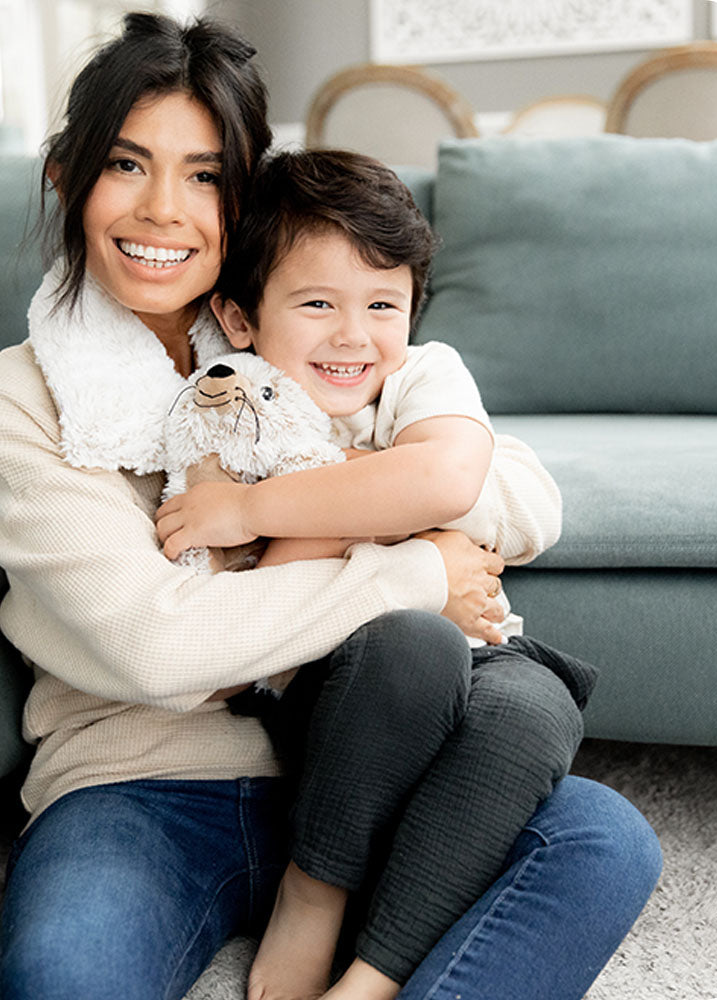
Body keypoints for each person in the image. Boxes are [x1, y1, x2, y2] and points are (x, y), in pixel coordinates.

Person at [0, 12, 662, 1000]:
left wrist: (346, 500)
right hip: (142, 784)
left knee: (601, 842)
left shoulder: (314, 324)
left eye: (204, 174)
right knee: (71, 974)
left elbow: (516, 489)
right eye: (126, 164)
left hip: (381, 758)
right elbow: (156, 650)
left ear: (241, 197)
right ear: (67, 180)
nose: (165, 209)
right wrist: (422, 564)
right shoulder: (24, 397)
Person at [153, 148, 599, 999]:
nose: (354, 335)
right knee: (414, 648)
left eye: (383, 304)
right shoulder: (238, 403)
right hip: (335, 670)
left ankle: (372, 979)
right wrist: (400, 520)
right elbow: (255, 601)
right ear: (240, 317)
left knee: (538, 708)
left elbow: (446, 479)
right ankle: (314, 894)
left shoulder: (425, 373)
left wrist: (255, 511)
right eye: (317, 302)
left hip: (478, 649)